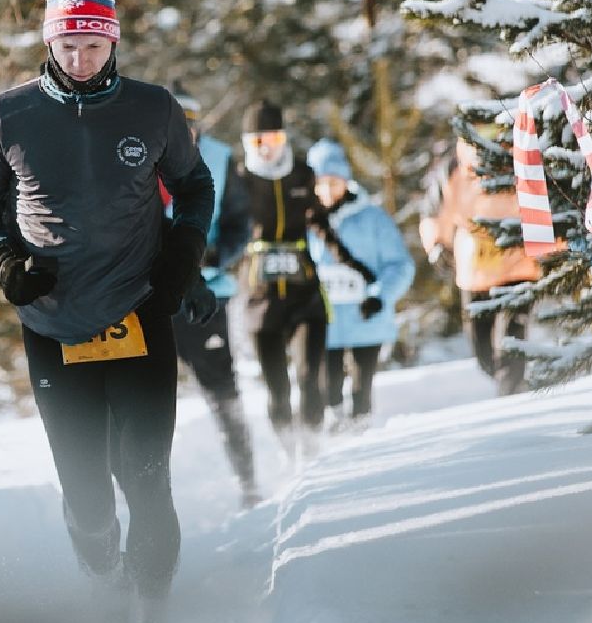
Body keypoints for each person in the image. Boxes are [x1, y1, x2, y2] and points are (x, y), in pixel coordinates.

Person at [0, 0, 214, 623]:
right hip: (52, 325)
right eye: (68, 44)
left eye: (93, 45)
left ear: (112, 43)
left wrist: (182, 256)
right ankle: (106, 590)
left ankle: (152, 617)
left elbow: (193, 186)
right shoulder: (6, 116)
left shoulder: (152, 110)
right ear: (49, 42)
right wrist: (5, 262)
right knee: (88, 494)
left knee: (144, 477)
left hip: (138, 314)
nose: (80, 58)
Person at [167, 84, 258, 509]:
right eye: (173, 122)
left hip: (208, 295)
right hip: (155, 298)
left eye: (188, 121)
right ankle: (153, 498)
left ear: (198, 122)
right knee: (148, 401)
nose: (183, 130)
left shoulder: (220, 157)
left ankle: (249, 482)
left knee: (224, 394)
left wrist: (220, 257)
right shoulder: (140, 156)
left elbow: (241, 221)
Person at [231, 100, 334, 456]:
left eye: (273, 138)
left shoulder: (302, 174)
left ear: (284, 139)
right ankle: (289, 454)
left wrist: (352, 262)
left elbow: (321, 221)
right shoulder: (239, 178)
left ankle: (314, 449)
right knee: (278, 388)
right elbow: (224, 229)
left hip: (305, 293)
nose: (267, 147)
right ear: (248, 142)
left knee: (310, 378)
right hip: (261, 299)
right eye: (259, 140)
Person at [419, 138, 544, 395]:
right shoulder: (455, 166)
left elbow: (543, 203)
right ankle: (506, 382)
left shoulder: (523, 157)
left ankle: (512, 393)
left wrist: (553, 247)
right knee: (482, 350)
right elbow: (436, 210)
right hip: (475, 269)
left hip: (518, 265)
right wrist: (437, 245)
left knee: (512, 338)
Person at [305, 139, 415, 428]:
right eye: (320, 183)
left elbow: (401, 264)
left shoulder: (373, 218)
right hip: (324, 323)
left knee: (360, 388)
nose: (327, 190)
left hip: (365, 320)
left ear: (346, 180)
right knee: (328, 390)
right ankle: (333, 442)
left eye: (334, 181)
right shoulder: (305, 223)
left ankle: (362, 436)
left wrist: (380, 296)